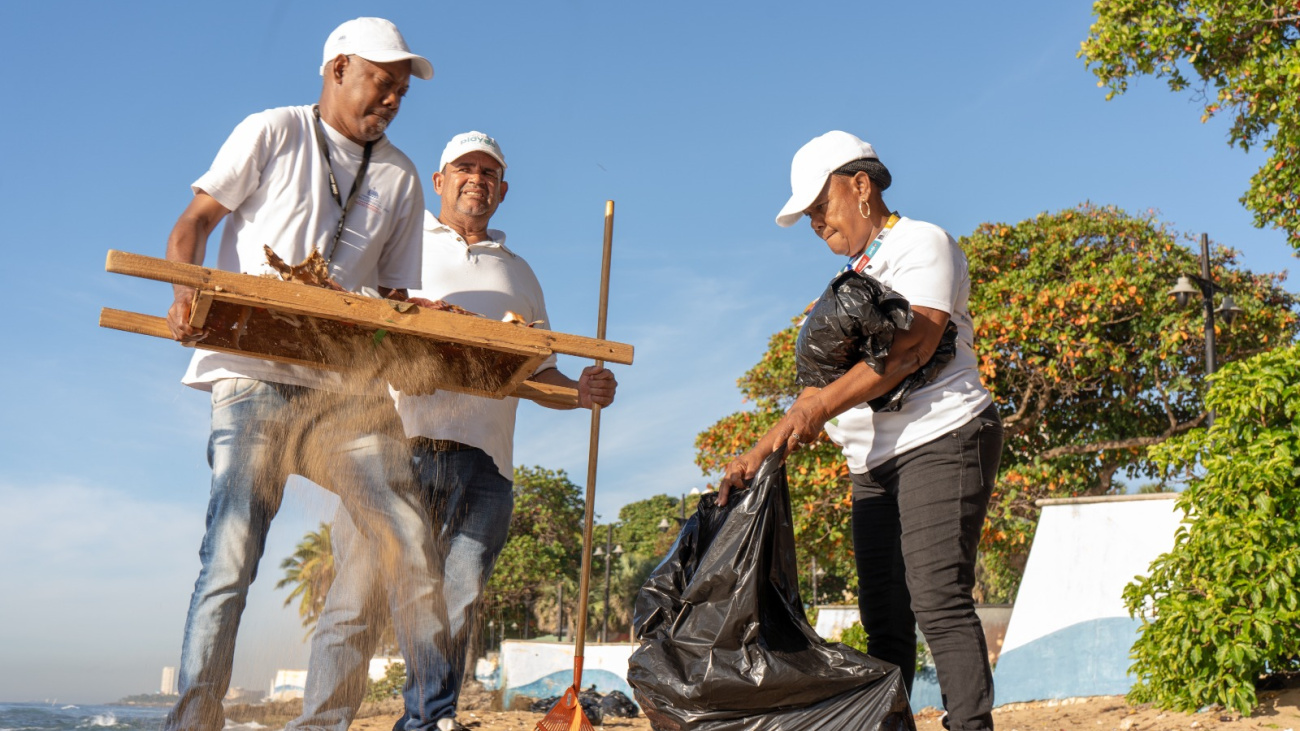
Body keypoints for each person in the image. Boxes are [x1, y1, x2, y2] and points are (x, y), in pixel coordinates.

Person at [160, 18, 447, 731]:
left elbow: (396, 295)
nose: (392, 99)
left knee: (408, 537)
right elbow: (194, 221)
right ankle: (195, 720)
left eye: (402, 90)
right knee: (230, 556)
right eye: (382, 81)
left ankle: (430, 718)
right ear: (339, 67)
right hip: (252, 374)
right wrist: (187, 287)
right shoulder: (274, 131)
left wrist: (429, 325)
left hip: (345, 392)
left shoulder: (401, 174)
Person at [287, 131, 618, 731]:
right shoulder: (396, 247)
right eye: (464, 168)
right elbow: (351, 332)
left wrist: (580, 393)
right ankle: (319, 727)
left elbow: (535, 374)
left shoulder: (520, 274)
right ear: (439, 182)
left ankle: (424, 724)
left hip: (486, 463)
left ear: (504, 189)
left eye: (489, 172)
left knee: (456, 609)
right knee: (354, 607)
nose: (477, 179)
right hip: (390, 452)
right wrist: (398, 359)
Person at [718, 130, 1003, 731]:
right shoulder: (853, 277)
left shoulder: (922, 243)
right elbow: (815, 390)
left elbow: (912, 348)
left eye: (821, 206)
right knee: (884, 615)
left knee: (937, 600)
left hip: (942, 435)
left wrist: (814, 413)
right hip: (873, 462)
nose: (818, 223)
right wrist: (757, 452)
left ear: (861, 186)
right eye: (810, 217)